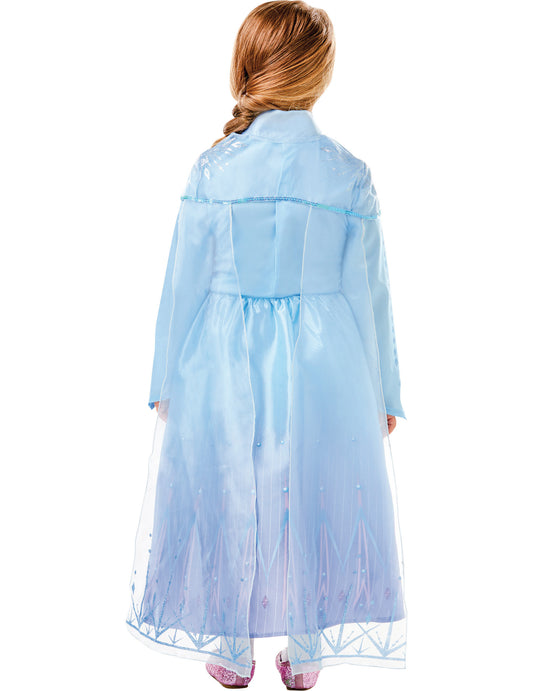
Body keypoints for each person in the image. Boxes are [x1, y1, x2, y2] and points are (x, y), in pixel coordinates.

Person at [125, 2, 408, 689]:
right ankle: (306, 649)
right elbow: (369, 291)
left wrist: (164, 379)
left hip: (221, 354)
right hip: (325, 356)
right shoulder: (347, 172)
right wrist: (384, 391)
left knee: (228, 478)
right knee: (313, 484)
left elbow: (183, 283)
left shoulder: (213, 168)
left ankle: (230, 642)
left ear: (247, 66)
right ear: (319, 74)